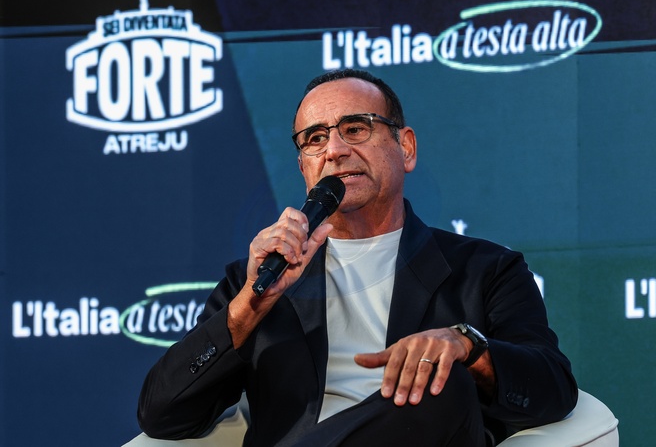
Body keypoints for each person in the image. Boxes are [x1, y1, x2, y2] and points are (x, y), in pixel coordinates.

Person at [137, 69, 578, 446]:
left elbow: (554, 389)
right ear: (305, 168)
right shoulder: (256, 280)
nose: (334, 150)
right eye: (315, 139)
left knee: (435, 378)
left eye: (355, 129)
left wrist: (466, 347)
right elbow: (162, 414)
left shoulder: (485, 269)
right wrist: (249, 308)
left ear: (405, 148)